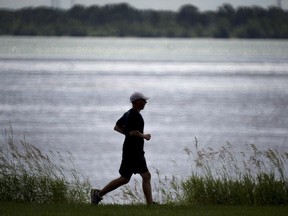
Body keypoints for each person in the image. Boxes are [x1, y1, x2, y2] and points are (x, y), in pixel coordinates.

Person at [91, 92, 154, 205]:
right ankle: (98, 194)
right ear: (136, 102)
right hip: (132, 152)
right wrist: (144, 136)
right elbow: (133, 132)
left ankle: (150, 204)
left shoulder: (128, 113)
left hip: (135, 151)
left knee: (144, 176)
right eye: (143, 100)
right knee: (125, 178)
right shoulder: (134, 115)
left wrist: (128, 134)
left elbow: (117, 127)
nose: (145, 102)